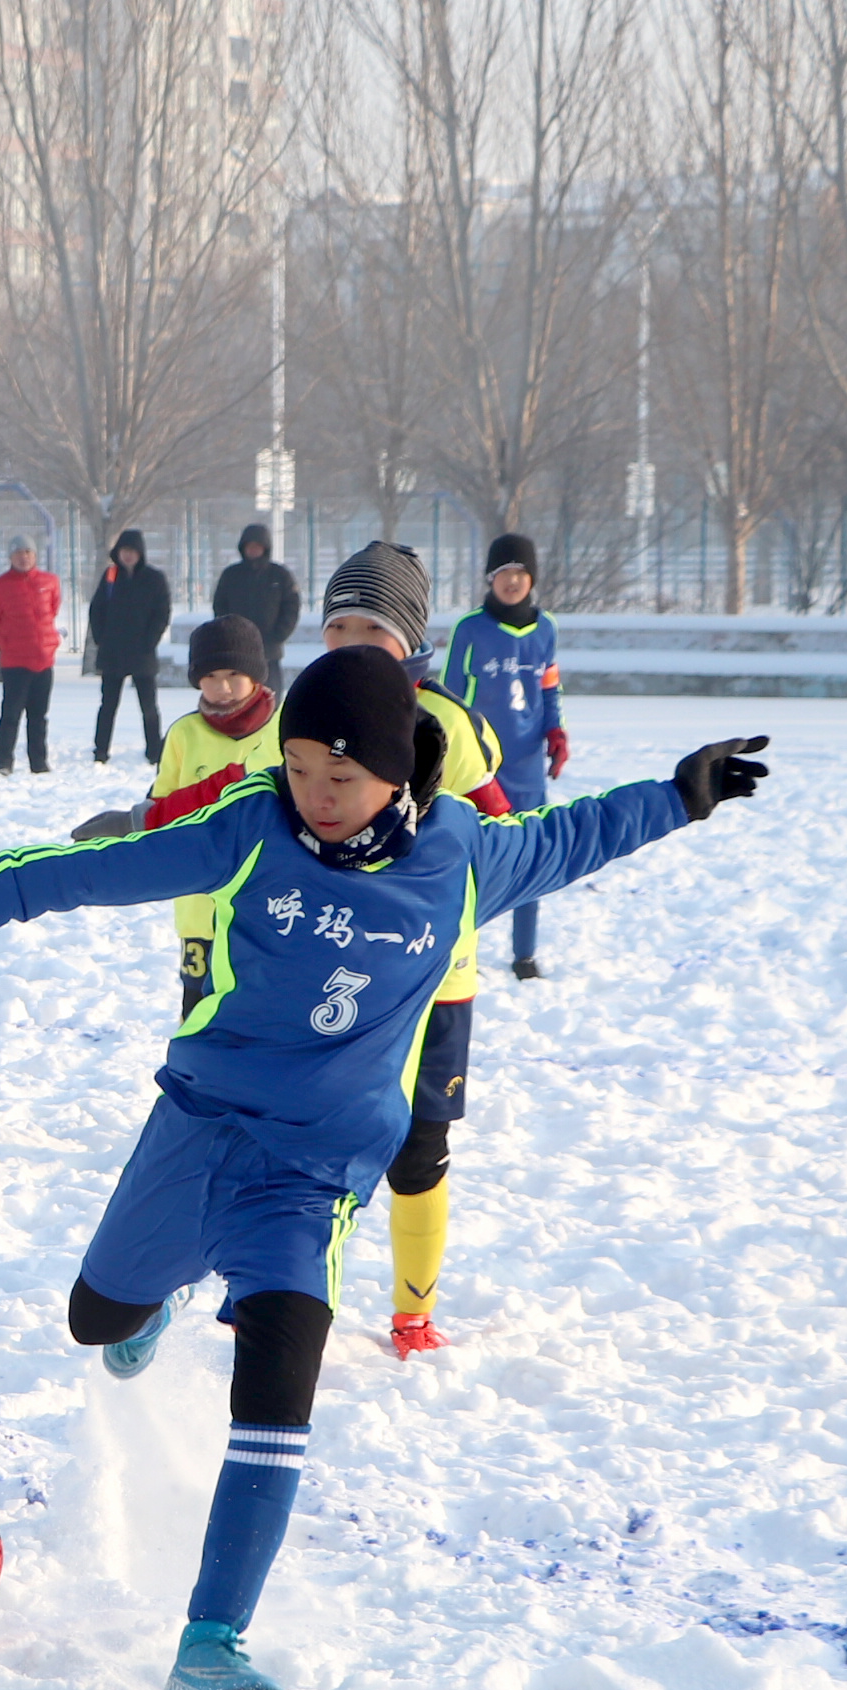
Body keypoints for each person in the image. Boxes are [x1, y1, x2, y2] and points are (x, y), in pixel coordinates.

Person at [0, 647, 771, 1690]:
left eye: (338, 776)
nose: (314, 794)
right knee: (95, 1319)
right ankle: (159, 1293)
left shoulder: (461, 854)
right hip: (200, 1129)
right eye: (298, 767)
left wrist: (681, 793)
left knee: (275, 1401)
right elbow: (98, 870)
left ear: (394, 772)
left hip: (313, 1177)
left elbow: (576, 835)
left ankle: (211, 1643)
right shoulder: (252, 826)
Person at [310, 541, 516, 1362]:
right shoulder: (310, 710)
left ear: (410, 638)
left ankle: (412, 1311)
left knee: (420, 1151)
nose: (351, 641)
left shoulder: (449, 724)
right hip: (335, 967)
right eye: (337, 626)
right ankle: (283, 1293)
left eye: (372, 627)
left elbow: (500, 834)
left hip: (440, 979)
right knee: (316, 1142)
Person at [443, 534, 568, 979]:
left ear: (531, 578)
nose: (512, 582)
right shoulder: (470, 629)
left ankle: (524, 953)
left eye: (520, 573)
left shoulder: (546, 628)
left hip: (528, 764)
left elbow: (548, 687)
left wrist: (555, 731)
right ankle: (462, 947)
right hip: (480, 765)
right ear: (489, 579)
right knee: (472, 859)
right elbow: (449, 697)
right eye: (503, 574)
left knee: (530, 855)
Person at [144, 618, 283, 1016]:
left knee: (261, 1007)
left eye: (234, 675)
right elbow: (161, 810)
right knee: (199, 1007)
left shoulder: (284, 728)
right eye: (210, 677)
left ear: (256, 674)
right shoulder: (184, 734)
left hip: (268, 902)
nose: (223, 687)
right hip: (200, 905)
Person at [86, 528, 171, 766]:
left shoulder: (154, 578)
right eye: (124, 550)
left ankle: (154, 751)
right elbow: (96, 610)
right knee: (108, 706)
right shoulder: (111, 576)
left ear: (140, 553)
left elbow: (162, 613)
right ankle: (101, 751)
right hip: (112, 653)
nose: (128, 555)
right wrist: (102, 639)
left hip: (143, 653)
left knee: (149, 706)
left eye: (133, 551)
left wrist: (150, 641)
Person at [0, 537, 61, 775]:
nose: (23, 557)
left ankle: (39, 762)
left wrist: (48, 645)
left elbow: (52, 610)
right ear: (10, 557)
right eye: (18, 553)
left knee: (39, 716)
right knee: (11, 714)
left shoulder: (49, 582)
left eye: (28, 552)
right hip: (15, 661)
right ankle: (4, 762)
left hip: (43, 659)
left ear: (35, 555)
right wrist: (7, 643)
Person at [213, 524, 301, 675]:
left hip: (270, 650)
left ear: (265, 548)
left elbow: (291, 607)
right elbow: (220, 605)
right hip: (237, 650)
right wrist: (229, 632)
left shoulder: (280, 575)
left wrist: (278, 634)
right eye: (249, 546)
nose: (253, 550)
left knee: (271, 689)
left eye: (257, 546)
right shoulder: (231, 575)